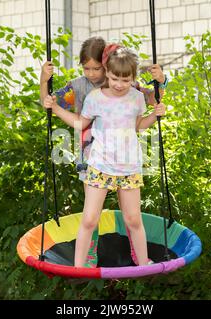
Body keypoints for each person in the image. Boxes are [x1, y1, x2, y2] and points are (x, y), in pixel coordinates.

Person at [43, 45, 166, 267]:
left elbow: (138, 125)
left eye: (126, 80)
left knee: (133, 219)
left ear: (133, 78)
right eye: (114, 78)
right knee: (90, 219)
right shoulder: (95, 97)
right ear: (107, 73)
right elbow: (81, 123)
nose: (119, 85)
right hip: (100, 165)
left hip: (129, 167)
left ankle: (143, 262)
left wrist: (155, 116)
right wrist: (57, 109)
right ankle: (79, 266)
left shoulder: (137, 98)